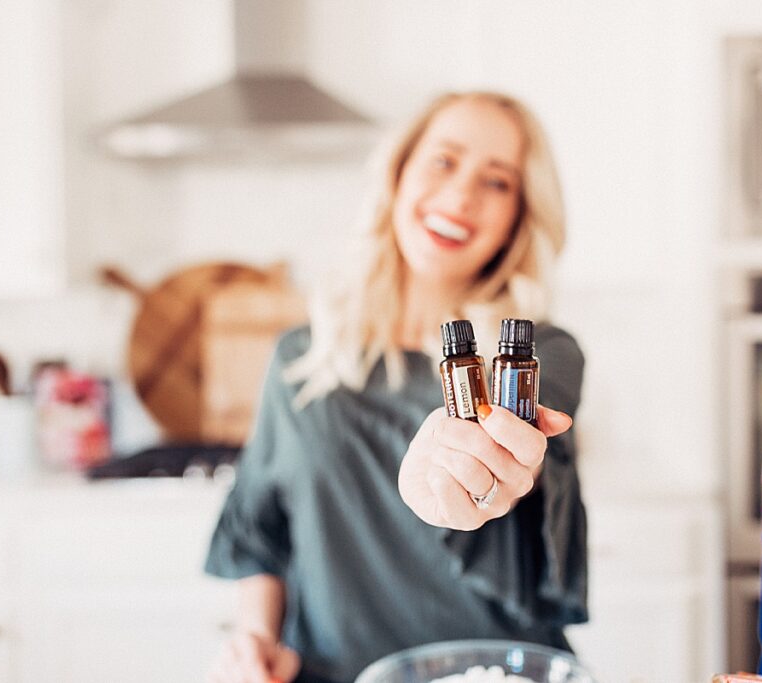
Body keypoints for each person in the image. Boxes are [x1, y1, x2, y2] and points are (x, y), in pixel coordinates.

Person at [204, 91, 588, 683]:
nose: (461, 196)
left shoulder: (535, 354)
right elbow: (260, 532)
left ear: (520, 214)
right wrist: (254, 642)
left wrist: (466, 481)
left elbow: (518, 466)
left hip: (499, 673)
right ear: (397, 174)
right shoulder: (300, 359)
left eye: (498, 182)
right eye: (443, 161)